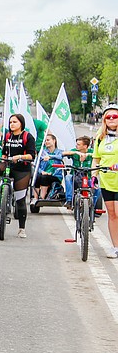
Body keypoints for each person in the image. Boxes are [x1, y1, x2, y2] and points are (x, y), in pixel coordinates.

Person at [0, 114, 36, 239]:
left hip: (22, 169)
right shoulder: (8, 136)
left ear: (21, 123)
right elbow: (4, 153)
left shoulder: (27, 137)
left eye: (14, 122)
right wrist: (2, 159)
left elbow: (31, 156)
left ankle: (21, 228)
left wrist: (19, 157)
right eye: (10, 122)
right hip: (8, 165)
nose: (12, 124)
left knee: (20, 200)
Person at [92, 105, 118, 258]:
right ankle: (115, 247)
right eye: (108, 117)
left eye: (115, 116)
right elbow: (96, 159)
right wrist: (94, 175)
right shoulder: (100, 136)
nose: (111, 119)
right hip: (106, 180)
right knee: (112, 214)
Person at [64, 135, 98, 209]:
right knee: (68, 177)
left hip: (88, 178)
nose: (77, 146)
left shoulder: (92, 152)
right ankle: (69, 200)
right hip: (75, 177)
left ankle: (93, 207)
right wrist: (77, 153)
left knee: (98, 189)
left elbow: (99, 156)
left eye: (79, 144)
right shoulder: (75, 151)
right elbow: (64, 153)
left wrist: (87, 154)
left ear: (85, 146)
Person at [34, 133, 64, 200]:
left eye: (48, 140)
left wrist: (50, 157)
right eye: (45, 140)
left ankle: (42, 197)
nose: (46, 142)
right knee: (37, 177)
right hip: (44, 174)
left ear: (54, 141)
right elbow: (36, 165)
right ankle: (35, 198)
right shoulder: (42, 152)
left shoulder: (59, 152)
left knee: (44, 178)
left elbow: (60, 157)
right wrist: (42, 172)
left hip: (55, 175)